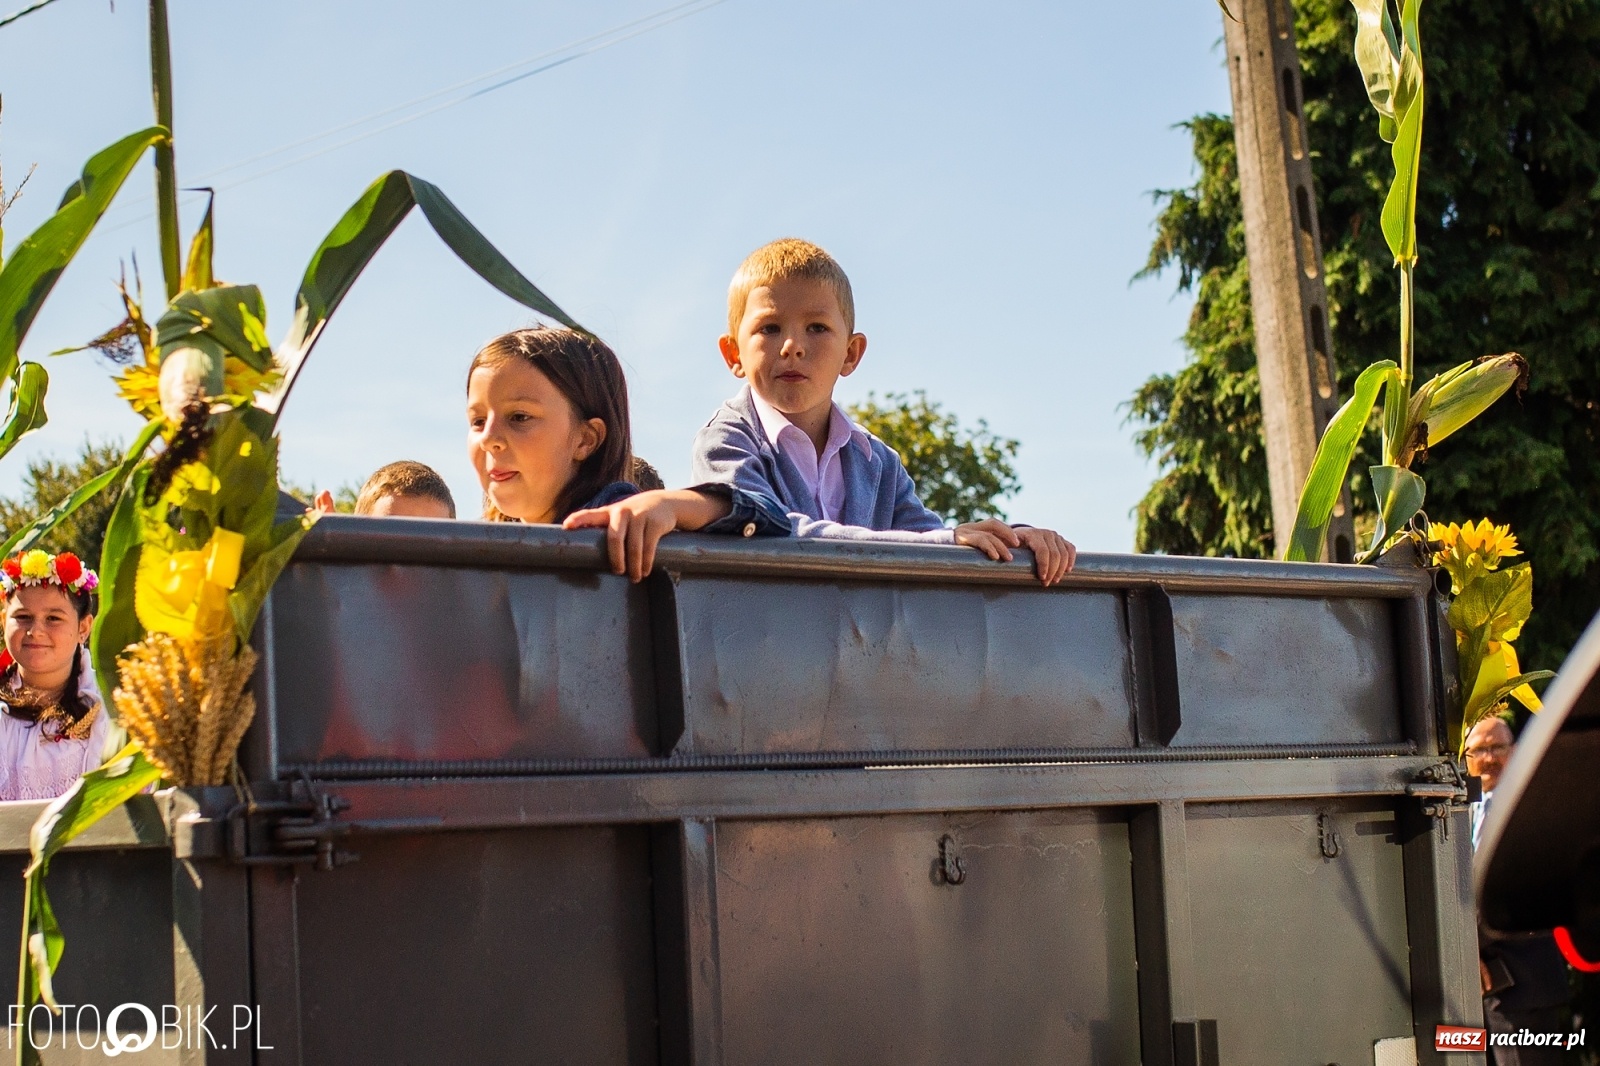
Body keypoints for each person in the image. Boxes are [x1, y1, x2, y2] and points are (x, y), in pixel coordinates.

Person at [691, 238, 1075, 586]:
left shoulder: (877, 461)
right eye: (770, 328)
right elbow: (768, 530)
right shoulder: (727, 439)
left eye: (817, 327)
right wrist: (943, 541)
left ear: (852, 353)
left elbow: (929, 540)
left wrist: (1011, 538)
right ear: (733, 354)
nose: (792, 345)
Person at [468, 326, 787, 581]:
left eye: (519, 417)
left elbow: (769, 519)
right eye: (478, 421)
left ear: (585, 439)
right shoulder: (485, 550)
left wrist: (671, 505)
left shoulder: (617, 516)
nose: (489, 438)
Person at [1468, 713, 1574, 1063]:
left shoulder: (1535, 808)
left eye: (1498, 747)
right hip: (1468, 991)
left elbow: (1519, 888)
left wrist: (1468, 945)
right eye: (1478, 750)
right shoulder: (1456, 810)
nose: (1488, 758)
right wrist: (1464, 954)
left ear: (1515, 752)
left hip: (1524, 987)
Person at [0, 550, 112, 802]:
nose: (35, 631)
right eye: (23, 617)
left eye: (53, 618)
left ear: (83, 628)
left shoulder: (113, 710)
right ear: (4, 620)